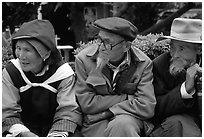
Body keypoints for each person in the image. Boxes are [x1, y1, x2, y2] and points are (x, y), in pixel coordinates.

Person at [74, 17, 156, 137]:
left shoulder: (144, 64)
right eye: (100, 40)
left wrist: (107, 113)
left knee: (123, 125)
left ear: (126, 46)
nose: (101, 47)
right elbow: (87, 103)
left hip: (128, 119)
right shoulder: (83, 60)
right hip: (95, 122)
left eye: (107, 43)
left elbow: (147, 107)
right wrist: (127, 98)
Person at [2, 19, 82, 137]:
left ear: (45, 54)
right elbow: (7, 111)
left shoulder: (63, 74)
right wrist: (24, 133)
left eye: (27, 50)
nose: (21, 56)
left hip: (57, 128)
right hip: (20, 129)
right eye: (18, 48)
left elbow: (68, 110)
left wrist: (55, 135)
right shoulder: (12, 72)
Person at [149, 18, 202, 137]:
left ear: (199, 49)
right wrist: (185, 89)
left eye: (182, 49)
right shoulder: (160, 65)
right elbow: (155, 107)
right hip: (178, 123)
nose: (175, 55)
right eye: (172, 47)